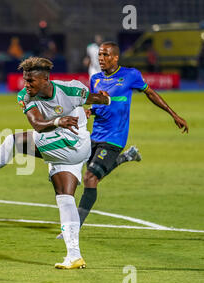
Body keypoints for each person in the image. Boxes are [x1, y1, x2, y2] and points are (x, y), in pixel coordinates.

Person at [0, 57, 111, 269]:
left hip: (75, 145)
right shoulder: (25, 96)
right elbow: (37, 124)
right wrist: (59, 121)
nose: (26, 85)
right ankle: (74, 256)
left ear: (45, 79)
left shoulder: (70, 90)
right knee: (64, 197)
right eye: (25, 80)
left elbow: (96, 99)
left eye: (31, 81)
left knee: (13, 142)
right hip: (61, 146)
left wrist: (106, 99)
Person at [74, 41, 189, 231]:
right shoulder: (95, 79)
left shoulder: (130, 75)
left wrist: (173, 114)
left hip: (114, 137)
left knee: (90, 178)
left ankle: (74, 228)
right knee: (95, 177)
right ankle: (127, 157)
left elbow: (150, 93)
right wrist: (90, 111)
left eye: (106, 55)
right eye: (100, 55)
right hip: (95, 135)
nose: (101, 59)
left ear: (116, 57)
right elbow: (100, 104)